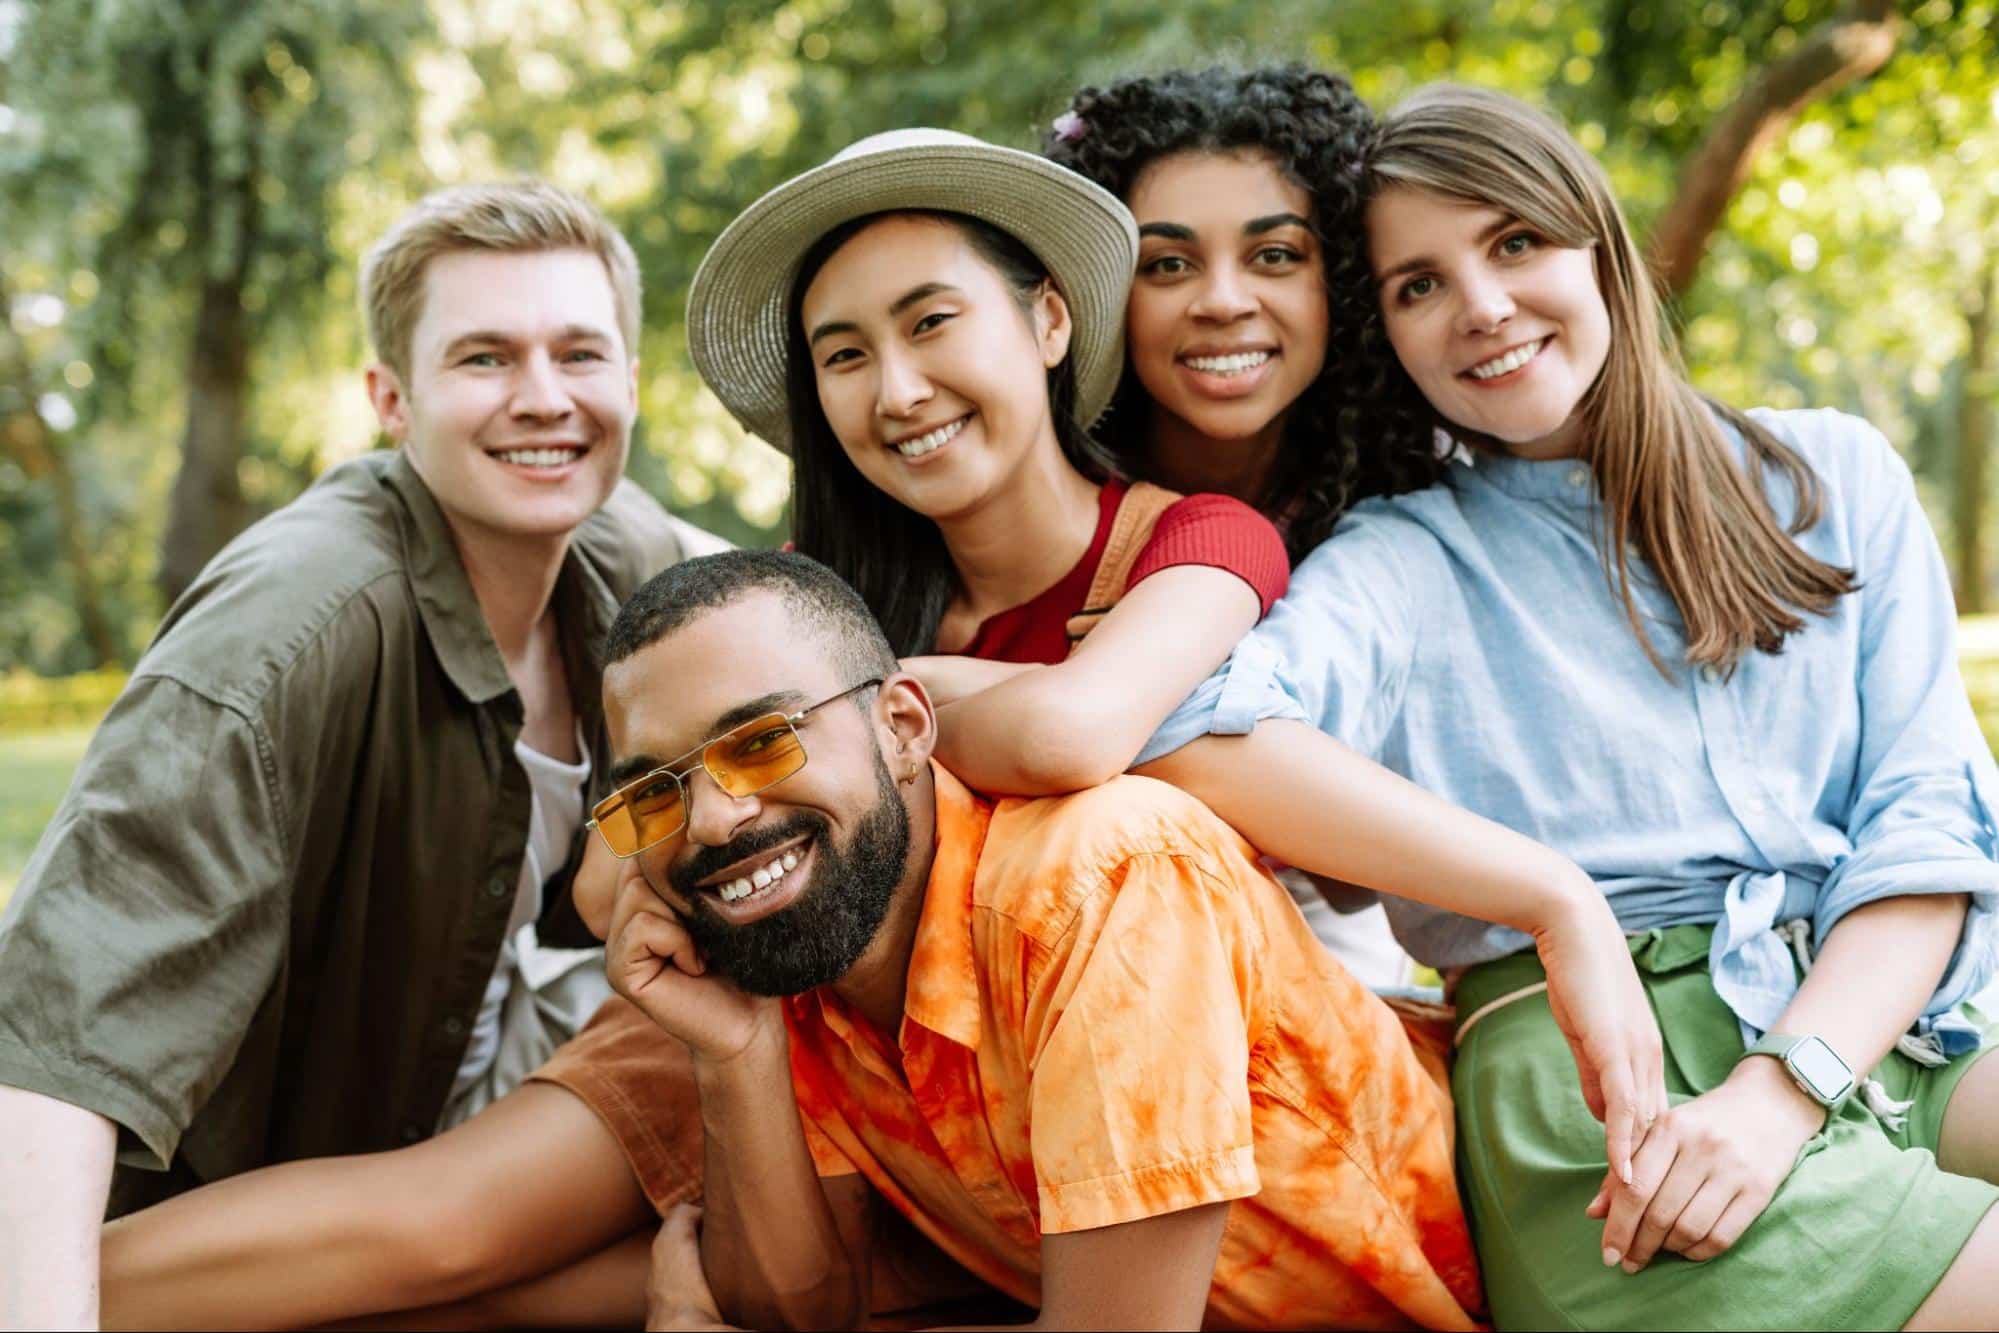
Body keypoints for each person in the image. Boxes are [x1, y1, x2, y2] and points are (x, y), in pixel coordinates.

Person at [1132, 84, 1999, 1329]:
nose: (1482, 308)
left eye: (1515, 242)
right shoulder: (1401, 563)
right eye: (1417, 285)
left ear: (1597, 242)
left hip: (1883, 1029)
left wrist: (1785, 1085)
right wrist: (1553, 893)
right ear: (1386, 334)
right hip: (1604, 1091)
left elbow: (1928, 824)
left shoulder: (1829, 477)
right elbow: (1182, 730)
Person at [0, 179, 721, 1329]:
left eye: (579, 355)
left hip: (459, 1157)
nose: (545, 400)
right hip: (235, 1217)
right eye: (484, 359)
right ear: (392, 397)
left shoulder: (621, 552)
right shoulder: (288, 635)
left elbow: (807, 630)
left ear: (629, 382)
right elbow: (48, 1046)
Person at [593, 546, 1488, 1331]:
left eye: (759, 741)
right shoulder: (802, 942)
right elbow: (804, 1312)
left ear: (902, 727)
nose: (710, 820)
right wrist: (733, 1052)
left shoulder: (1101, 881)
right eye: (653, 794)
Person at [1017, 63, 1443, 983]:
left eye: (1275, 255)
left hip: (1331, 940)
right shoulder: (1038, 490)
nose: (1221, 299)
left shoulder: (1407, 507)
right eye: (1166, 264)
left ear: (1344, 280)